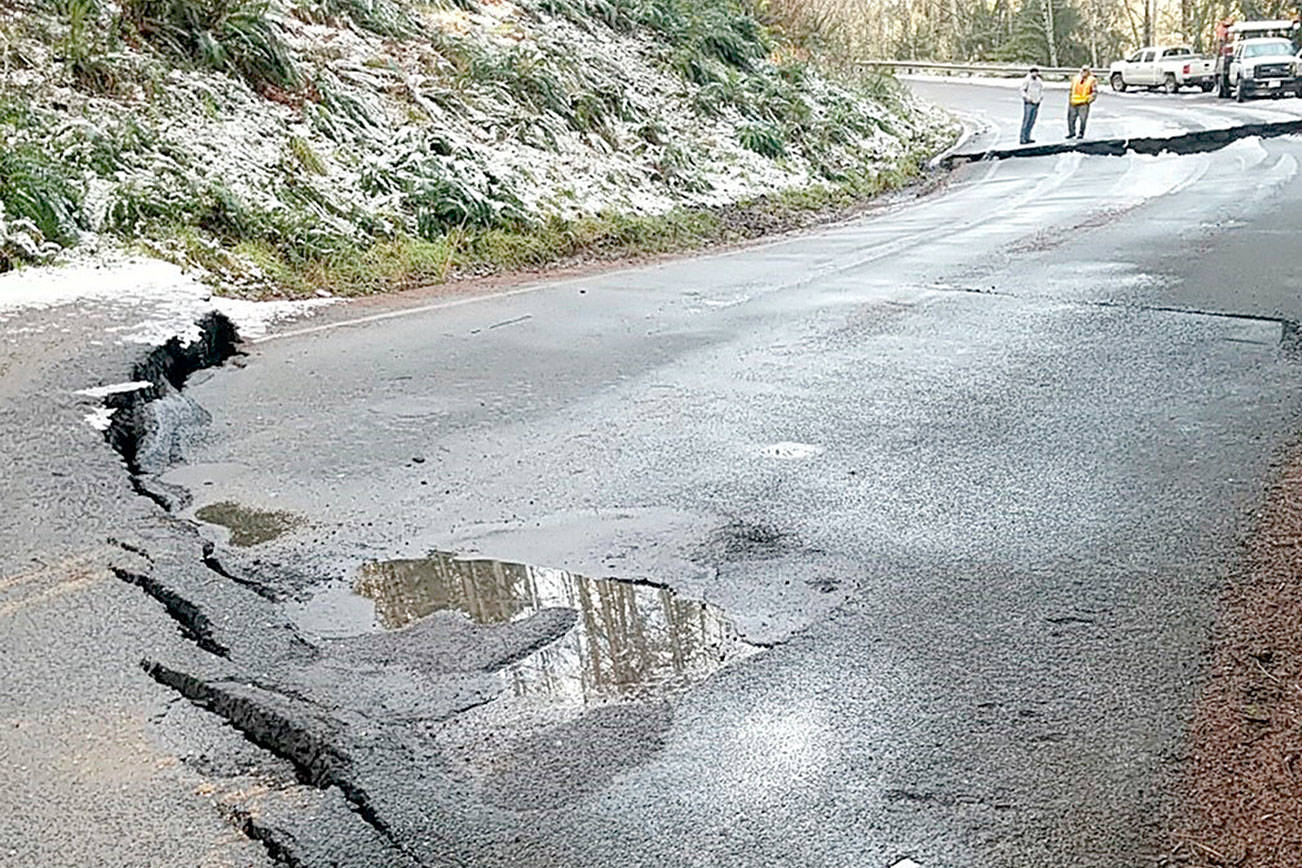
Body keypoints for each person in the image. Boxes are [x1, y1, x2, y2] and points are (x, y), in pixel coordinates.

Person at [1067, 66, 1098, 139]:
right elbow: (1071, 89)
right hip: (1073, 101)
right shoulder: (1075, 78)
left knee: (1083, 120)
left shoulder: (1092, 80)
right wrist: (1070, 99)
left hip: (1084, 103)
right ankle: (1071, 132)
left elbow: (1094, 91)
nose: (1084, 72)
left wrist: (1089, 100)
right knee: (1071, 119)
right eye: (1083, 71)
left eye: (1086, 71)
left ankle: (1081, 133)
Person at [1019, 66, 1043, 144]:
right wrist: (1026, 98)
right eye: (1033, 72)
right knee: (1026, 120)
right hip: (1029, 103)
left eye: (1036, 72)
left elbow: (1040, 90)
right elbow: (1022, 90)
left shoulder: (1039, 81)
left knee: (1032, 121)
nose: (1035, 74)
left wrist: (1040, 98)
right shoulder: (1027, 80)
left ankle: (1028, 136)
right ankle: (1022, 138)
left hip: (1036, 102)